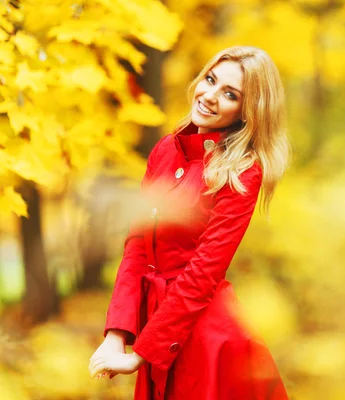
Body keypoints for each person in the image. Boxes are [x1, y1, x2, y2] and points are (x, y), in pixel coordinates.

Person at [88, 46, 290, 400]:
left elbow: (204, 272)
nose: (210, 96)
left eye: (230, 94)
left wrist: (142, 352)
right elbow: (137, 247)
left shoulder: (242, 172)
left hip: (207, 342)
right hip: (158, 329)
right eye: (210, 80)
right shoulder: (166, 150)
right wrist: (116, 334)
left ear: (247, 112)